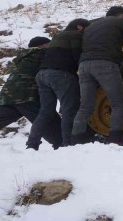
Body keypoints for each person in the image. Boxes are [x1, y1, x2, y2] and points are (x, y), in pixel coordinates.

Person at [0, 37, 63, 148]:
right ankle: (64, 145)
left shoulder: (24, 57)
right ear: (42, 46)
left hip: (7, 97)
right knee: (51, 122)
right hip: (26, 97)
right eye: (49, 44)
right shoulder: (42, 54)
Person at [71, 6, 123, 145]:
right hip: (105, 64)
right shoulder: (120, 22)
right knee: (118, 103)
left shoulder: (91, 26)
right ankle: (115, 140)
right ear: (121, 15)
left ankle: (76, 140)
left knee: (85, 106)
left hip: (84, 66)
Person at [26, 18, 90, 150]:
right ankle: (68, 143)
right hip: (61, 75)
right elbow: (78, 57)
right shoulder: (75, 35)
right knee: (69, 109)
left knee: (45, 111)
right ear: (79, 27)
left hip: (42, 75)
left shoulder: (57, 36)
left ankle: (32, 143)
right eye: (86, 29)